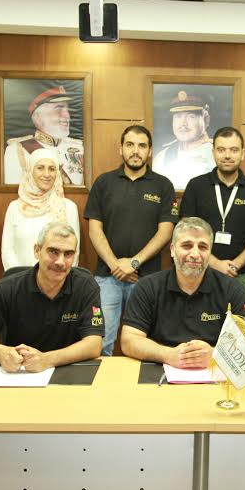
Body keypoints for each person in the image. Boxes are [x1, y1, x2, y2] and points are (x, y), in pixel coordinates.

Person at [121, 217, 245, 490]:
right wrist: (168, 354)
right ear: (172, 250)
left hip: (216, 384)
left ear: (210, 252)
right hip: (161, 382)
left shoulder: (231, 289)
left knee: (218, 437)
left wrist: (216, 354)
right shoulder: (149, 287)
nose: (194, 253)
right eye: (187, 245)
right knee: (165, 436)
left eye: (202, 247)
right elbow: (128, 340)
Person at [0, 221, 103, 490]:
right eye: (53, 252)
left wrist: (48, 359)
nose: (60, 261)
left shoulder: (85, 285)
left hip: (63, 376)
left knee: (60, 437)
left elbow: (93, 344)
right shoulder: (9, 287)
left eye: (68, 254)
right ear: (37, 251)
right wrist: (0, 352)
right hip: (16, 377)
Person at [85, 125, 177, 356]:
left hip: (147, 279)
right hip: (107, 277)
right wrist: (116, 266)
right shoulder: (103, 183)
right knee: (100, 344)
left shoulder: (163, 185)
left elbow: (166, 232)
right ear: (121, 149)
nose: (135, 151)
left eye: (142, 145)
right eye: (130, 145)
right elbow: (94, 229)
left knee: (147, 344)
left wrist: (133, 263)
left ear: (150, 151)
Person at [179, 126, 245, 302]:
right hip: (200, 271)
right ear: (213, 152)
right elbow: (185, 232)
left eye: (234, 150)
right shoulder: (196, 186)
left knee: (241, 321)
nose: (227, 155)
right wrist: (215, 264)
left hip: (242, 275)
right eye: (221, 150)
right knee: (201, 320)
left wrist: (235, 265)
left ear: (243, 154)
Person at [2, 147, 80, 270]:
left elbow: (73, 251)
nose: (47, 174)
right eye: (40, 168)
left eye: (52, 169)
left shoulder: (69, 207)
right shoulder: (14, 208)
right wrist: (21, 278)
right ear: (30, 171)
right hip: (20, 279)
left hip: (57, 277)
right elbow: (7, 250)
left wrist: (57, 277)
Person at [3, 86, 84, 186]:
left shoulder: (80, 147)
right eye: (58, 109)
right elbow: (10, 191)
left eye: (67, 110)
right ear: (38, 118)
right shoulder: (18, 151)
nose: (67, 115)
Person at [152, 91, 214, 189]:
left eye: (190, 116)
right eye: (178, 117)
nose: (183, 124)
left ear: (206, 119)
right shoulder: (162, 156)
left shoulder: (217, 155)